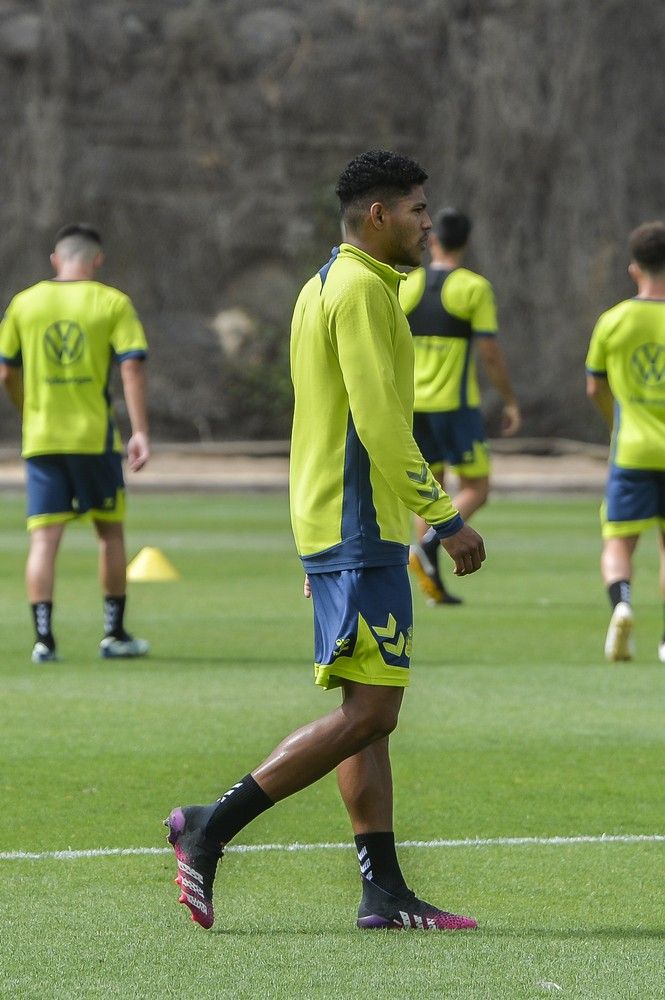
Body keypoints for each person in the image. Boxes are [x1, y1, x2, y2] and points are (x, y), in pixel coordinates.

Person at [164, 150, 486, 932]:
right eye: (414, 208)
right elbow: (378, 424)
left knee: (365, 709)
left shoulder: (324, 284)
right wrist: (444, 520)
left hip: (333, 524)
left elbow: (323, 415)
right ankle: (212, 825)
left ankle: (382, 893)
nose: (423, 222)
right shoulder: (361, 295)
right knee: (373, 711)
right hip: (360, 525)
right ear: (377, 215)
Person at [0, 223, 150, 663]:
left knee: (44, 540)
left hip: (42, 437)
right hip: (93, 438)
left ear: (55, 259)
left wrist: (28, 409)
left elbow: (6, 371)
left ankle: (43, 640)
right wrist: (140, 430)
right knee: (110, 534)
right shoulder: (111, 302)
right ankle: (113, 633)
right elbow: (131, 368)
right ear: (97, 260)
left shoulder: (24, 303)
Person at [400, 208, 520, 605]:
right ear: (466, 242)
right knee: (477, 488)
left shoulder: (408, 285)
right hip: (455, 404)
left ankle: (432, 580)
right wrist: (508, 399)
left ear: (432, 240)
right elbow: (488, 350)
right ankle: (429, 548)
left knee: (429, 490)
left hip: (414, 405)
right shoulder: (473, 288)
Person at [585, 220, 665, 663]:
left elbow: (595, 387)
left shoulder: (613, 321)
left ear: (635, 269)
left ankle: (622, 605)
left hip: (631, 448)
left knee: (618, 541)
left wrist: (614, 424)